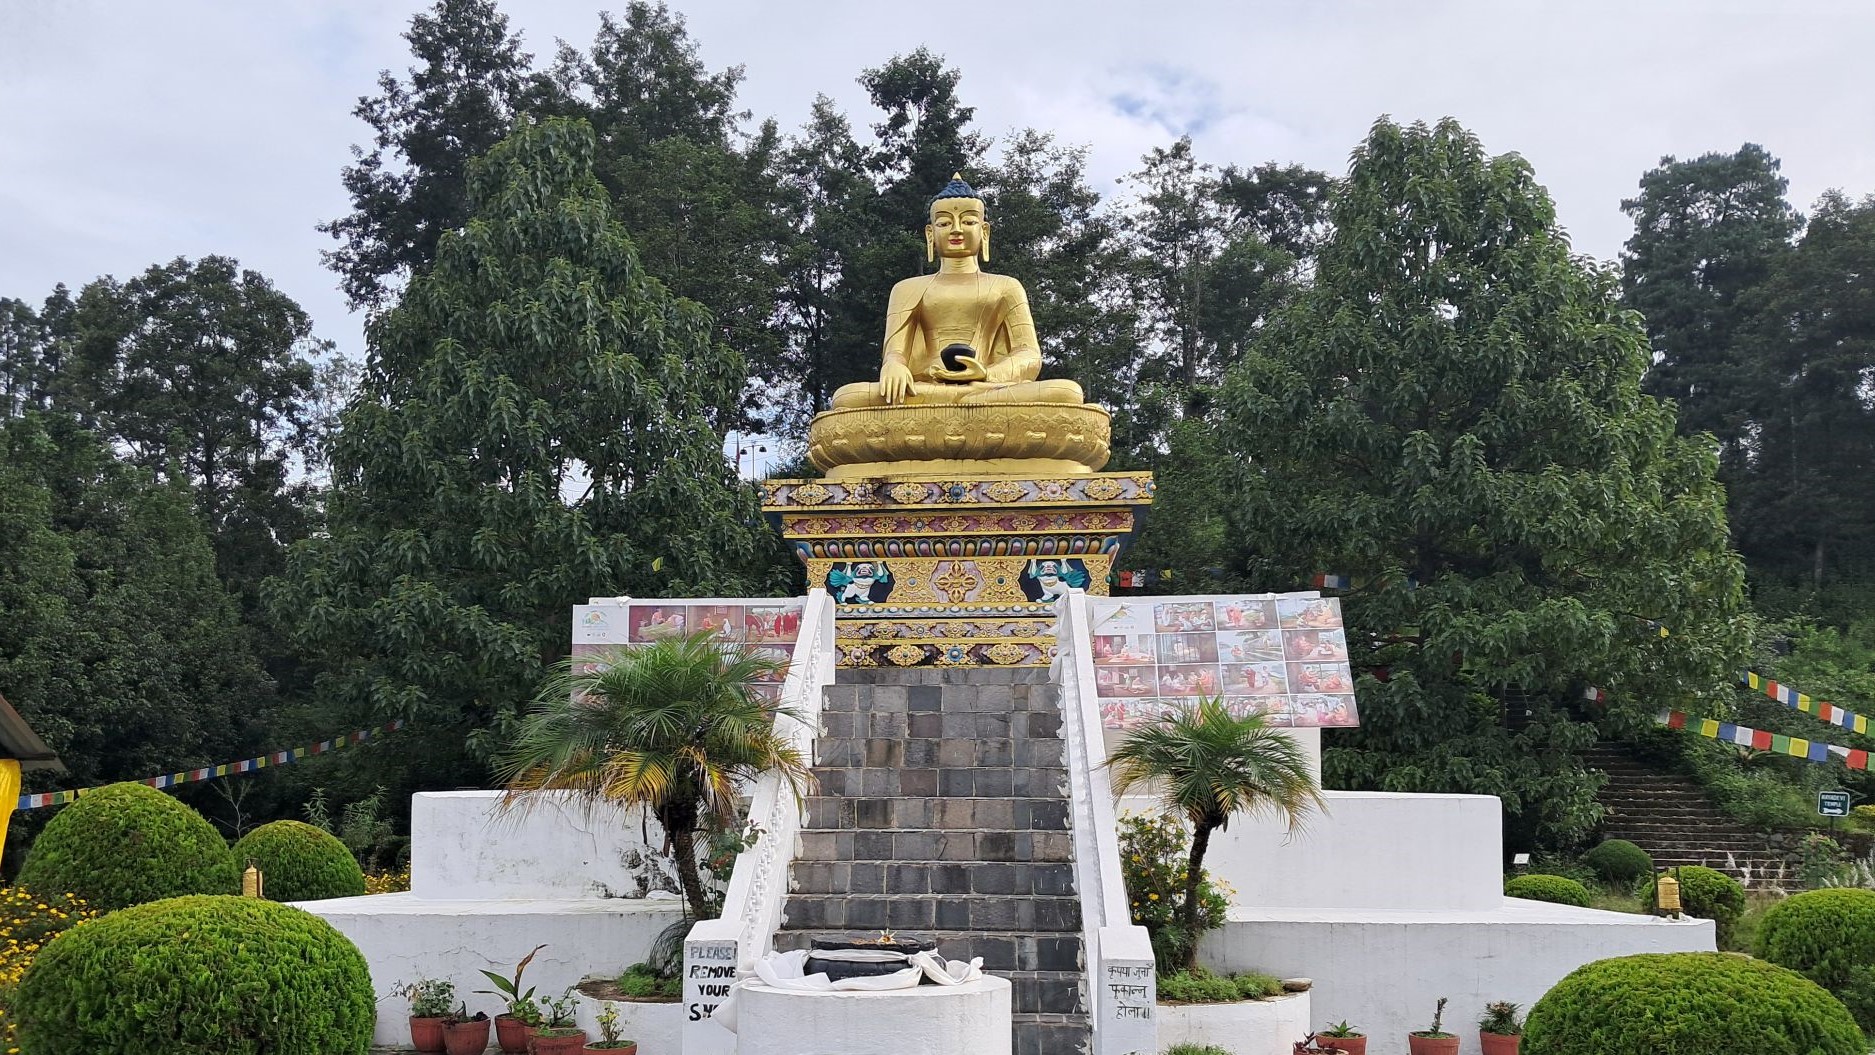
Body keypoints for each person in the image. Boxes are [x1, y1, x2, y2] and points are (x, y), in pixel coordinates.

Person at [829, 175, 1084, 410]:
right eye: (944, 222)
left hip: (988, 389)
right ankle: (966, 410)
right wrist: (894, 366)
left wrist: (985, 373)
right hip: (925, 391)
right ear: (931, 233)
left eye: (969, 221)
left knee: (1066, 392)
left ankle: (966, 406)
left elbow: (1029, 355)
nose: (956, 229)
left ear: (984, 231)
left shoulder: (1006, 286)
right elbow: (896, 352)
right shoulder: (907, 289)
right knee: (847, 398)